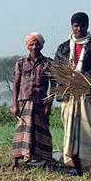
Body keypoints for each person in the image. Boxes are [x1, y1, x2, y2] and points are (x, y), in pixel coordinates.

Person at [54, 12, 91, 177]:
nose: (79, 29)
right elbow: (56, 68)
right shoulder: (63, 47)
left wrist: (83, 77)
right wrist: (67, 79)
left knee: (89, 129)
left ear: (87, 26)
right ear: (72, 26)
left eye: (82, 26)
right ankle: (76, 167)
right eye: (75, 26)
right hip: (69, 93)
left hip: (86, 92)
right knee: (71, 131)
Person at [10, 32, 54, 170]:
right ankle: (15, 162)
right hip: (24, 103)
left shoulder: (48, 63)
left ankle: (47, 162)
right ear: (28, 46)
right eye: (32, 44)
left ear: (42, 45)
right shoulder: (21, 63)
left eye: (37, 44)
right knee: (21, 133)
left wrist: (48, 104)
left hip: (40, 103)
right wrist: (15, 105)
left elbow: (53, 86)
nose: (34, 46)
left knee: (43, 133)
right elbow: (16, 85)